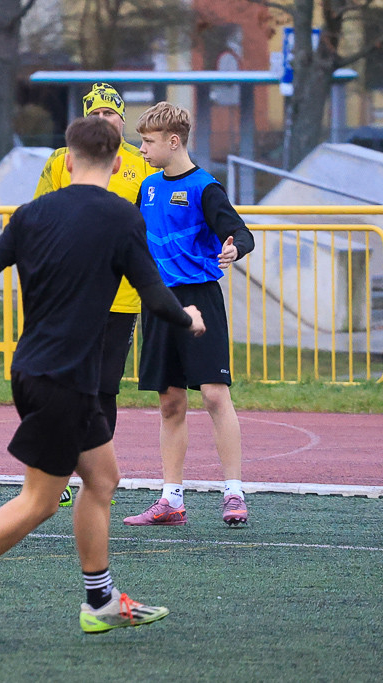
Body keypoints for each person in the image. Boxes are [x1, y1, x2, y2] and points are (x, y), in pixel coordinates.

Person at [0, 116, 206, 646]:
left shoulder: (32, 213)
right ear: (117, 164)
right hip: (62, 377)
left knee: (103, 480)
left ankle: (100, 601)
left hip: (44, 370)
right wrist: (189, 318)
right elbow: (154, 293)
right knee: (40, 501)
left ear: (66, 160)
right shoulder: (121, 216)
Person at [123, 102, 255, 528]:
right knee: (170, 401)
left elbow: (241, 232)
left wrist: (234, 246)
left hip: (200, 297)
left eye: (148, 141)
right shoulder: (148, 187)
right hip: (159, 302)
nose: (142, 148)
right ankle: (171, 499)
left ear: (173, 141)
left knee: (215, 394)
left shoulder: (205, 187)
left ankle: (233, 492)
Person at [34, 82, 156, 509]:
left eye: (111, 114)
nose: (104, 121)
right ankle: (57, 469)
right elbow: (41, 216)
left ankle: (92, 472)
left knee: (104, 388)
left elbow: (153, 222)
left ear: (123, 120)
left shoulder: (141, 165)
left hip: (121, 296)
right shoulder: (59, 160)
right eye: (96, 115)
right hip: (72, 293)